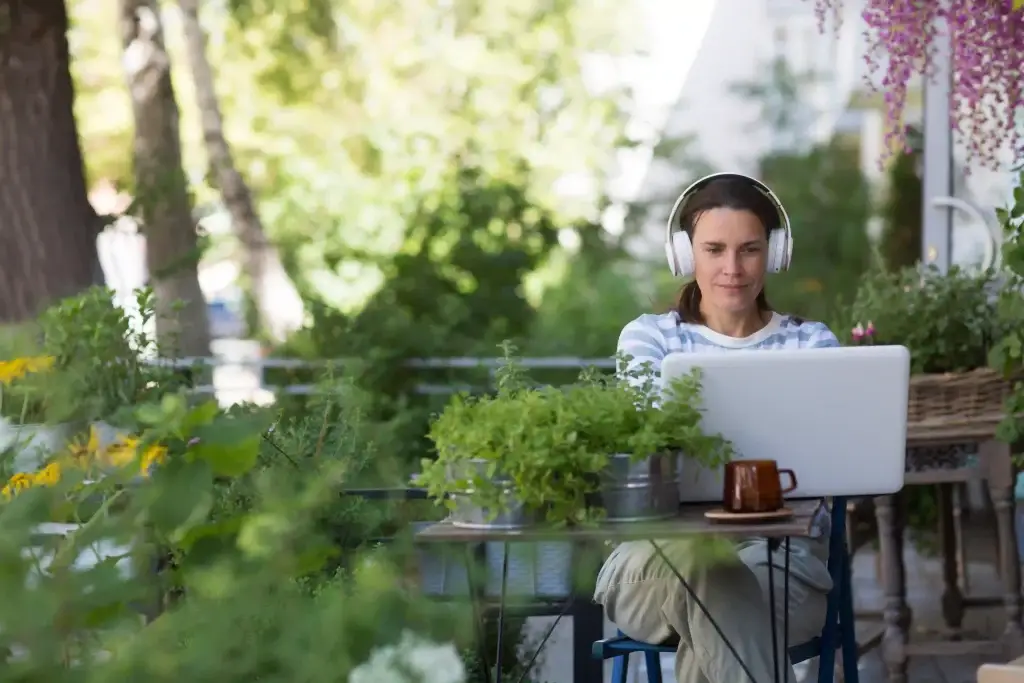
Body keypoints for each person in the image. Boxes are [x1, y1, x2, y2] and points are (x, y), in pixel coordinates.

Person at [594, 173, 840, 683]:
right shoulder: (648, 340)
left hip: (783, 563)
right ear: (686, 255)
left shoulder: (812, 345)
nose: (732, 268)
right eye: (714, 249)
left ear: (774, 254)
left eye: (749, 249)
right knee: (713, 577)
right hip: (654, 561)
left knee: (718, 617)